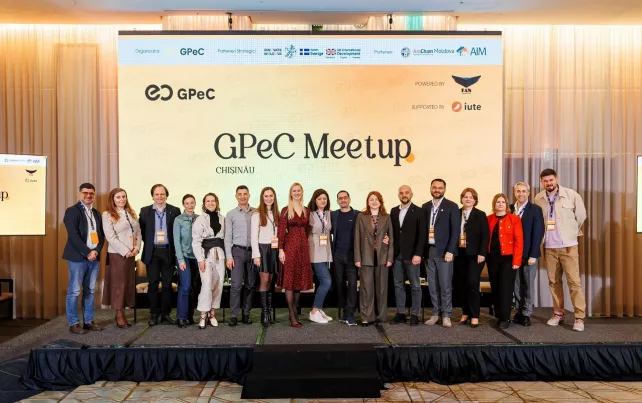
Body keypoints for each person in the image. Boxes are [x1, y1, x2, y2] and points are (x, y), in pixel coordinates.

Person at [534, 169, 587, 332]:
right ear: (542, 182)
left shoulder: (571, 195)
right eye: (545, 181)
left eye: (551, 180)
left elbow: (581, 216)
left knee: (574, 282)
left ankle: (579, 317)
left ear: (556, 179)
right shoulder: (538, 199)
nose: (548, 183)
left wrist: (570, 233)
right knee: (553, 282)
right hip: (549, 247)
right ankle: (558, 313)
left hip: (568, 246)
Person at [62, 183, 105, 334]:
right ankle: (73, 323)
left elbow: (101, 236)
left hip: (94, 258)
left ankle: (88, 321)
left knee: (90, 290)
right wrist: (87, 252)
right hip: (78, 258)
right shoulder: (72, 211)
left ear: (94, 195)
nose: (88, 195)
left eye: (91, 193)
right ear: (79, 194)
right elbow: (73, 235)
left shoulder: (97, 213)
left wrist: (96, 251)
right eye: (85, 193)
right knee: (74, 291)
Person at [139, 184, 182, 326]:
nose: (159, 197)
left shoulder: (174, 211)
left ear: (166, 195)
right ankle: (154, 313)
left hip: (168, 251)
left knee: (167, 284)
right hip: (152, 252)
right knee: (152, 284)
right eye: (156, 194)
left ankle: (165, 313)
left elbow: (176, 232)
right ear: (152, 196)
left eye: (162, 194)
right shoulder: (145, 211)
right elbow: (143, 231)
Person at [422, 179, 460, 328]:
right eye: (434, 187)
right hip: (429, 251)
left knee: (445, 285)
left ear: (444, 189)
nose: (437, 190)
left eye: (440, 188)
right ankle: (435, 314)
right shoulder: (425, 207)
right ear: (430, 188)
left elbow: (455, 231)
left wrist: (451, 250)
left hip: (445, 252)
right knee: (432, 285)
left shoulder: (452, 206)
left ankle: (446, 315)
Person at [102, 188, 142, 328]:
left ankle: (123, 311)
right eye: (118, 197)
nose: (122, 199)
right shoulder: (107, 214)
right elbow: (110, 237)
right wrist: (126, 251)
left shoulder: (131, 212)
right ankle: (119, 314)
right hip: (117, 254)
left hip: (131, 254)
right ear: (113, 199)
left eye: (124, 196)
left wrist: (136, 248)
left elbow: (138, 232)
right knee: (119, 285)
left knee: (127, 284)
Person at [278, 182, 314, 328]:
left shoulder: (306, 210)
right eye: (294, 191)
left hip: (303, 249)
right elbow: (281, 232)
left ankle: (294, 311)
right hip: (290, 249)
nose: (297, 193)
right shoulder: (286, 210)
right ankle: (292, 315)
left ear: (302, 192)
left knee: (299, 281)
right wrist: (281, 249)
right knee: (290, 281)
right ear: (291, 193)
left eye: (299, 190)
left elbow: (307, 231)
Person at [355, 191, 394, 326]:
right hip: (366, 256)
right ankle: (367, 316)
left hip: (382, 256)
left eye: (376, 199)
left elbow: (391, 238)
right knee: (366, 288)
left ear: (380, 201)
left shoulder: (387, 217)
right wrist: (357, 258)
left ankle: (381, 316)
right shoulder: (361, 217)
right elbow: (357, 238)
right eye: (371, 199)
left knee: (382, 289)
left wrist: (390, 258)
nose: (374, 202)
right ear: (367, 202)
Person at [389, 185, 426, 326]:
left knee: (415, 286)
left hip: (412, 256)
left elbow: (422, 235)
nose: (404, 195)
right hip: (397, 255)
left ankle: (415, 314)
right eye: (401, 193)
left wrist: (418, 254)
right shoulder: (393, 211)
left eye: (406, 192)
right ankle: (401, 313)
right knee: (398, 286)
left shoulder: (419, 211)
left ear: (411, 194)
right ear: (398, 195)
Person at [453, 188, 489, 328]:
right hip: (459, 253)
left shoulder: (480, 215)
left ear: (475, 200)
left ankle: (475, 315)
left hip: (475, 255)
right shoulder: (456, 213)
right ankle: (465, 312)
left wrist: (482, 253)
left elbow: (485, 236)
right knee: (461, 284)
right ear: (461, 199)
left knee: (472, 283)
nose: (468, 199)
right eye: (465, 197)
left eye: (471, 197)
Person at [510, 182, 544, 327]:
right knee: (516, 285)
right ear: (515, 193)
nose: (521, 194)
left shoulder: (535, 209)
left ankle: (526, 313)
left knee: (528, 285)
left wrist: (533, 255)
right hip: (513, 254)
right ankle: (518, 311)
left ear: (528, 193)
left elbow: (538, 233)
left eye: (524, 191)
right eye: (518, 191)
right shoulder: (510, 208)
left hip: (529, 254)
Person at [486, 193, 523, 329]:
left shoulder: (514, 219)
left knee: (505, 288)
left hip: (508, 259)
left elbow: (519, 241)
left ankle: (505, 317)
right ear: (494, 204)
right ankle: (499, 315)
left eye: (503, 202)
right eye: (498, 202)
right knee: (495, 287)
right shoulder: (488, 219)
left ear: (507, 204)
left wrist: (517, 261)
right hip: (492, 258)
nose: (500, 204)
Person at [192, 193, 226, 329]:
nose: (210, 203)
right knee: (206, 285)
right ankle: (203, 315)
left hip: (220, 255)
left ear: (216, 202)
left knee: (218, 284)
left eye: (213, 201)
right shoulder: (200, 220)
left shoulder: (222, 219)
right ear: (204, 203)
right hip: (206, 256)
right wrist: (200, 259)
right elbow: (196, 242)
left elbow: (225, 238)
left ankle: (212, 314)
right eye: (208, 201)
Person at [224, 186, 256, 326]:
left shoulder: (256, 213)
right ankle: (234, 315)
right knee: (236, 285)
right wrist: (229, 256)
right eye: (240, 194)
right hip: (237, 252)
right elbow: (227, 237)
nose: (243, 196)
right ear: (236, 196)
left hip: (253, 252)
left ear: (249, 195)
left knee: (250, 285)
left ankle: (246, 313)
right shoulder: (230, 214)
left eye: (245, 194)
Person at [251, 187, 280, 327]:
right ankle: (264, 313)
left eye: (271, 196)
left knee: (271, 281)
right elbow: (253, 236)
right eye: (266, 196)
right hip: (262, 249)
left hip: (274, 249)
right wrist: (256, 255)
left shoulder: (277, 214)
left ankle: (268, 311)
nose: (269, 198)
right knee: (264, 280)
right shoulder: (256, 214)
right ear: (262, 198)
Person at [330, 190, 360, 326]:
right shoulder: (333, 215)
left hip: (352, 255)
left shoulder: (357, 215)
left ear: (349, 199)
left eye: (345, 198)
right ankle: (344, 312)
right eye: (340, 198)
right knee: (339, 284)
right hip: (337, 255)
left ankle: (350, 314)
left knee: (352, 285)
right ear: (337, 201)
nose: (343, 200)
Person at [173, 194, 200, 328]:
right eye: (187, 203)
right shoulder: (178, 219)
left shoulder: (199, 218)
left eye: (192, 203)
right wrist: (180, 260)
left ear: (195, 203)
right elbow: (176, 241)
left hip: (197, 258)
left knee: (194, 288)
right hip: (184, 257)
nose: (190, 205)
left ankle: (189, 316)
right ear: (183, 205)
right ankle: (181, 317)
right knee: (185, 286)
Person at [307, 189, 333, 324]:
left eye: (324, 198)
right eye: (319, 199)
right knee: (326, 282)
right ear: (314, 200)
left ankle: (319, 309)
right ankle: (314, 311)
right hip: (315, 252)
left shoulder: (329, 213)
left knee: (322, 282)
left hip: (326, 252)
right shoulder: (310, 214)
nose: (322, 201)